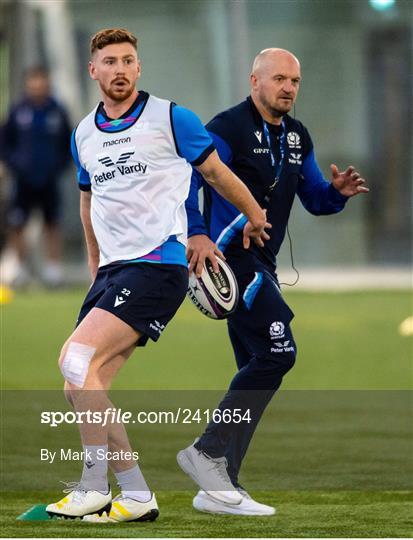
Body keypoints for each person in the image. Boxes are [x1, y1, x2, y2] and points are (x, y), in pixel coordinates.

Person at [45, 28, 269, 523]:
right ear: (93, 70)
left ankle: (91, 487)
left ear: (138, 68)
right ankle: (137, 495)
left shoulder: (171, 118)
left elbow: (215, 174)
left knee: (77, 360)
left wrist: (255, 215)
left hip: (159, 264)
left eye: (128, 60)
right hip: (112, 272)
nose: (120, 69)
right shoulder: (83, 133)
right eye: (110, 61)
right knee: (82, 383)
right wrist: (93, 272)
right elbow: (88, 208)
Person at [177, 48, 369, 516]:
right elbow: (191, 182)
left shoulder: (297, 136)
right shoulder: (226, 128)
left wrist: (336, 194)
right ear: (255, 81)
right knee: (279, 353)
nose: (288, 88)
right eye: (280, 78)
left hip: (264, 262)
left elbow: (314, 199)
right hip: (231, 260)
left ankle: (221, 487)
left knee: (257, 369)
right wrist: (198, 234)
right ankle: (206, 452)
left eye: (295, 81)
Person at [0, 67, 71, 287]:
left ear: (47, 82)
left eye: (41, 80)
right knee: (18, 224)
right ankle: (19, 269)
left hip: (49, 179)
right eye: (33, 81)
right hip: (23, 179)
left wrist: (58, 166)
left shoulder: (56, 110)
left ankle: (53, 271)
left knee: (53, 223)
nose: (37, 85)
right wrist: (14, 164)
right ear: (28, 83)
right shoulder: (18, 109)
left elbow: (68, 143)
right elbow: (5, 141)